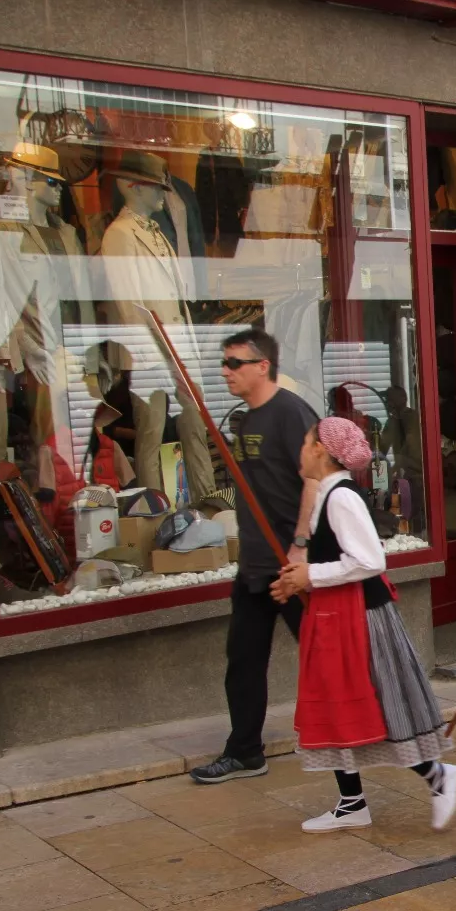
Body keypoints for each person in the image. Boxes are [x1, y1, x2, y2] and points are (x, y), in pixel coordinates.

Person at [269, 418, 456, 832]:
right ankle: (352, 801)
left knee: (380, 702)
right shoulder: (327, 494)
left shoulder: (341, 497)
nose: (300, 451)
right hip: (335, 613)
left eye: (305, 443)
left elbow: (370, 560)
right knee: (337, 702)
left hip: (359, 617)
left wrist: (311, 575)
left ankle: (438, 776)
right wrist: (299, 579)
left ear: (320, 450)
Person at [191, 329, 321, 785]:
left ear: (262, 366)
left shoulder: (290, 413)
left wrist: (300, 544)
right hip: (255, 565)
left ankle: (372, 730)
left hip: (291, 564)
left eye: (234, 363)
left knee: (326, 657)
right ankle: (245, 751)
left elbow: (315, 480)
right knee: (243, 661)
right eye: (224, 363)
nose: (225, 372)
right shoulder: (245, 420)